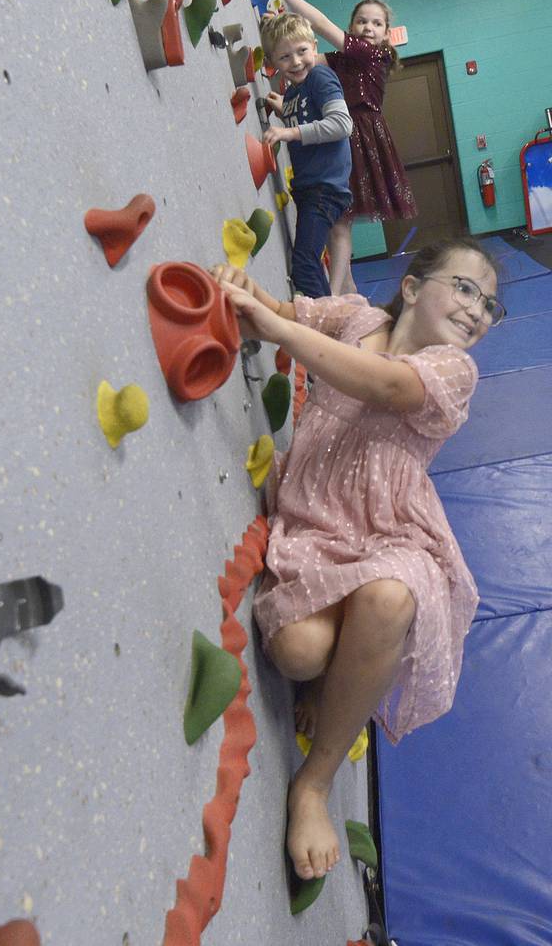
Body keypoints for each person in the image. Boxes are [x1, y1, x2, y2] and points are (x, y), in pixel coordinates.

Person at [209, 237, 505, 883]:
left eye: (488, 303)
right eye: (463, 287)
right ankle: (342, 669)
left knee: (391, 595)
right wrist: (239, 287)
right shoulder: (356, 319)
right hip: (319, 516)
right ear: (410, 287)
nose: (477, 309)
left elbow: (385, 384)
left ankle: (312, 784)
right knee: (298, 654)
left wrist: (281, 327)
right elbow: (276, 307)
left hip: (391, 527)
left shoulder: (454, 371)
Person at [261, 0, 417, 296]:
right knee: (337, 223)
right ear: (352, 25)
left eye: (377, 23)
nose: (368, 27)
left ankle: (333, 294)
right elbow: (301, 57)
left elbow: (317, 24)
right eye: (361, 21)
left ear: (387, 34)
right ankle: (348, 292)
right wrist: (276, 31)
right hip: (342, 137)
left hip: (358, 134)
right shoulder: (344, 59)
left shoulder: (370, 55)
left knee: (341, 221)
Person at [259, 12, 353, 299]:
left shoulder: (320, 77)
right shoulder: (293, 93)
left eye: (302, 51)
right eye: (285, 57)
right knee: (307, 263)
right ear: (272, 62)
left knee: (304, 266)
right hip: (311, 189)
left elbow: (341, 124)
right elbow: (303, 113)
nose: (296, 62)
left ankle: (326, 332)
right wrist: (280, 107)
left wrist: (288, 133)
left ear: (315, 47)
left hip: (325, 190)